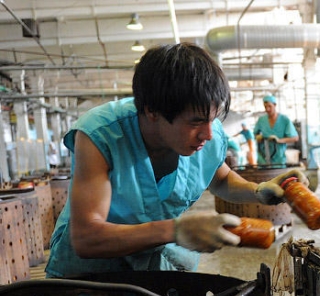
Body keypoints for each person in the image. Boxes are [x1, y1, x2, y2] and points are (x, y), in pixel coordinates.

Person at [45, 43, 296, 279]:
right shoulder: (102, 135)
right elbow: (87, 238)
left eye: (213, 118)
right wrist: (175, 231)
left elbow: (220, 178)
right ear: (152, 111)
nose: (208, 134)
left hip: (155, 264)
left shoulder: (209, 133)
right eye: (195, 121)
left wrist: (259, 191)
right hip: (91, 276)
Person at [254, 95, 299, 167]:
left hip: (279, 160)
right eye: (265, 107)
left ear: (275, 105)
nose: (267, 109)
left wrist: (279, 140)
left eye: (269, 106)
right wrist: (257, 137)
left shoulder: (284, 120)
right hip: (263, 160)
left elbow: (295, 138)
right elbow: (254, 135)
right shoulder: (261, 120)